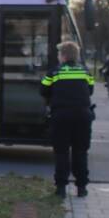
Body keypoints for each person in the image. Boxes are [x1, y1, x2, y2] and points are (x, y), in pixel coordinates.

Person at [40, 41, 94, 198]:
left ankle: (61, 188)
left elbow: (43, 90)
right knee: (81, 151)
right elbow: (90, 90)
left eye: (59, 54)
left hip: (61, 116)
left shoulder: (54, 72)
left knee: (61, 152)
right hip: (82, 116)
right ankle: (81, 188)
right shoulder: (85, 72)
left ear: (63, 56)